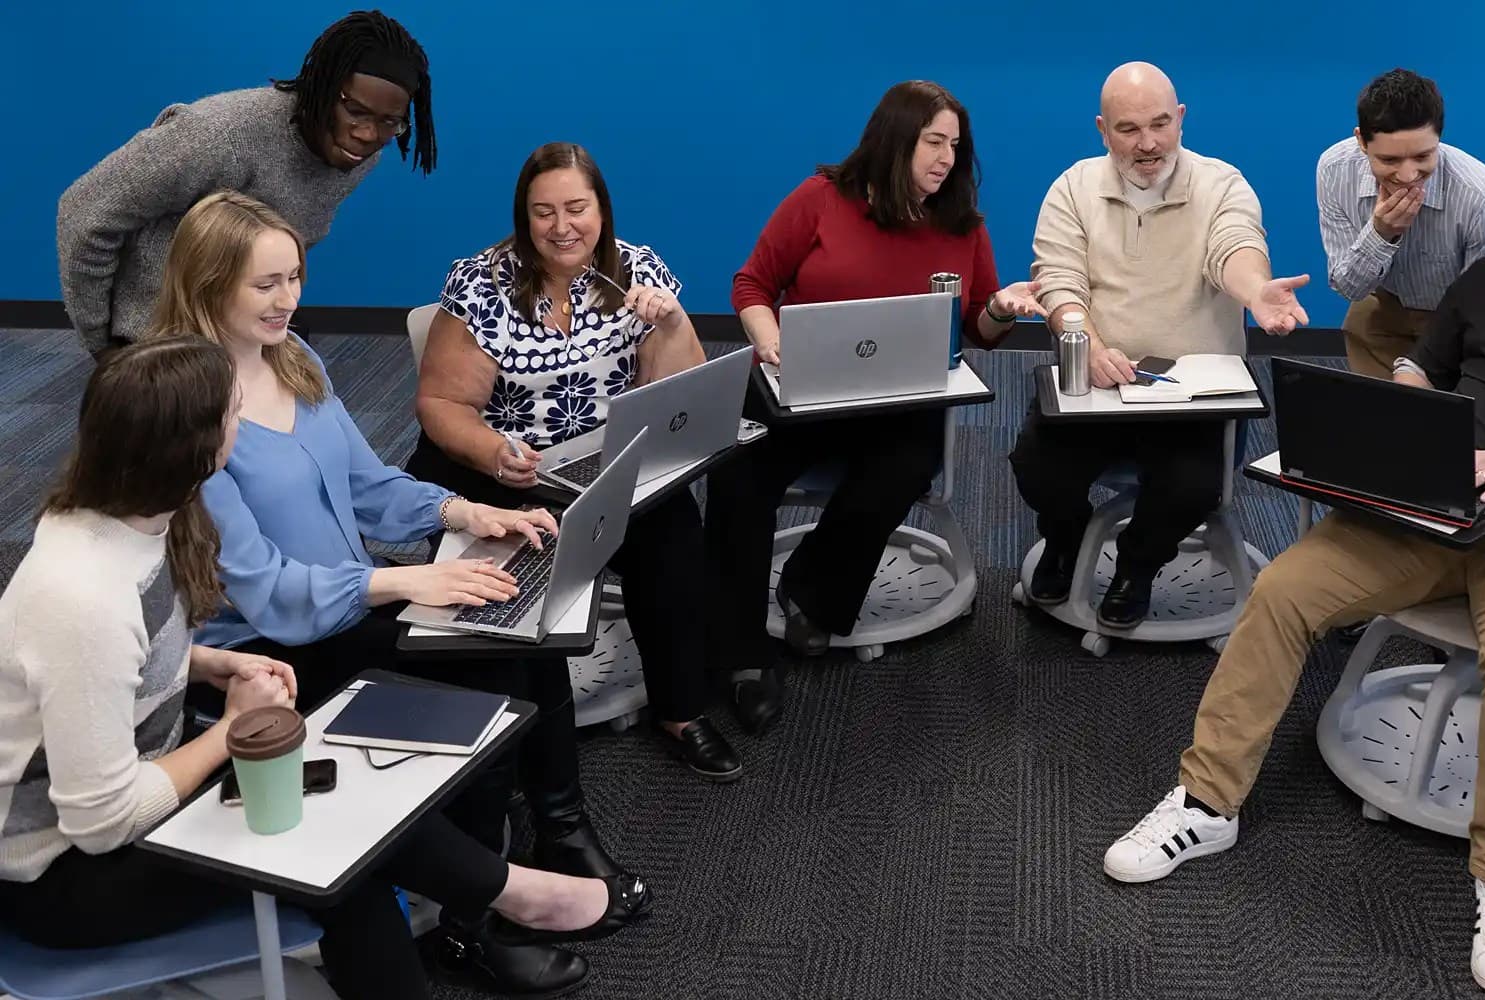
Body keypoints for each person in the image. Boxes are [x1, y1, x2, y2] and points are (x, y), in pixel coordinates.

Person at [1104, 130, 1485, 996]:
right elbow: (1417, 365)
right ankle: (1206, 804)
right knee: (1282, 589)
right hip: (1434, 502)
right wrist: (1401, 423)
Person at [0, 338, 636, 1000]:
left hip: (138, 785)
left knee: (331, 813)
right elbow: (100, 822)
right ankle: (513, 896)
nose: (240, 416)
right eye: (229, 410)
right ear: (191, 447)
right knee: (334, 858)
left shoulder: (131, 524)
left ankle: (508, 897)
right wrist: (229, 734)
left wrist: (207, 664)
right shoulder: (83, 599)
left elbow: (114, 668)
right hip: (62, 878)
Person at [148, 191, 646, 996]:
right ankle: (475, 922)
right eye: (265, 285)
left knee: (522, 647)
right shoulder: (187, 412)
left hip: (348, 608)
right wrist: (405, 578)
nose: (288, 300)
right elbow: (270, 594)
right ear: (208, 286)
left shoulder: (292, 360)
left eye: (294, 278)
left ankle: (549, 842)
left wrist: (463, 508)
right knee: (490, 681)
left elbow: (371, 485)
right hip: (270, 653)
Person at [708, 80, 1042, 732]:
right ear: (895, 141)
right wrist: (770, 338)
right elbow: (752, 283)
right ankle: (742, 655)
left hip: (895, 404)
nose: (947, 157)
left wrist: (1002, 310)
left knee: (905, 467)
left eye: (955, 145)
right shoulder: (819, 201)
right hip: (797, 390)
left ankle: (812, 591)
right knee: (737, 479)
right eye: (933, 142)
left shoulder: (963, 227)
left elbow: (978, 325)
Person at [406, 142, 740, 780]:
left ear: (602, 211)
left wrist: (669, 325)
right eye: (544, 212)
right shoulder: (482, 283)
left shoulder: (637, 273)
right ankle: (513, 737)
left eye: (577, 209)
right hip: (503, 468)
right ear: (524, 217)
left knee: (673, 540)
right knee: (521, 585)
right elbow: (441, 402)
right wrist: (493, 451)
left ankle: (681, 709)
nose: (562, 227)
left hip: (601, 462)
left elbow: (684, 395)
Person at [1011, 61, 1311, 626]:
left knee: (1193, 484)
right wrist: (1087, 344)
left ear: (1180, 118)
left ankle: (1138, 566)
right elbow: (1058, 280)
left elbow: (1234, 248)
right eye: (1128, 130)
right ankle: (1066, 539)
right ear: (1103, 130)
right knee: (1035, 464)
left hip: (1192, 397)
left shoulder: (1223, 183)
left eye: (1159, 125)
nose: (1147, 144)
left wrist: (1255, 293)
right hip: (1096, 386)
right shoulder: (1072, 188)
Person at [57, 10, 435, 358]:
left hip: (247, 339)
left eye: (390, 122)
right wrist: (103, 346)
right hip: (164, 345)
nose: (369, 134)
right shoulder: (220, 134)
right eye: (355, 111)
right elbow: (84, 212)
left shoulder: (359, 156)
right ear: (320, 89)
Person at [1317, 68, 1485, 379]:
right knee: (1382, 419)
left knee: (1443, 420)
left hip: (1455, 321)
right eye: (1390, 161)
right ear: (1361, 141)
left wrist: (1420, 368)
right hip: (1382, 306)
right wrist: (1380, 235)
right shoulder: (1335, 169)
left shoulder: (1481, 197)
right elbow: (1349, 288)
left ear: (1440, 138)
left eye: (1423, 156)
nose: (1408, 176)